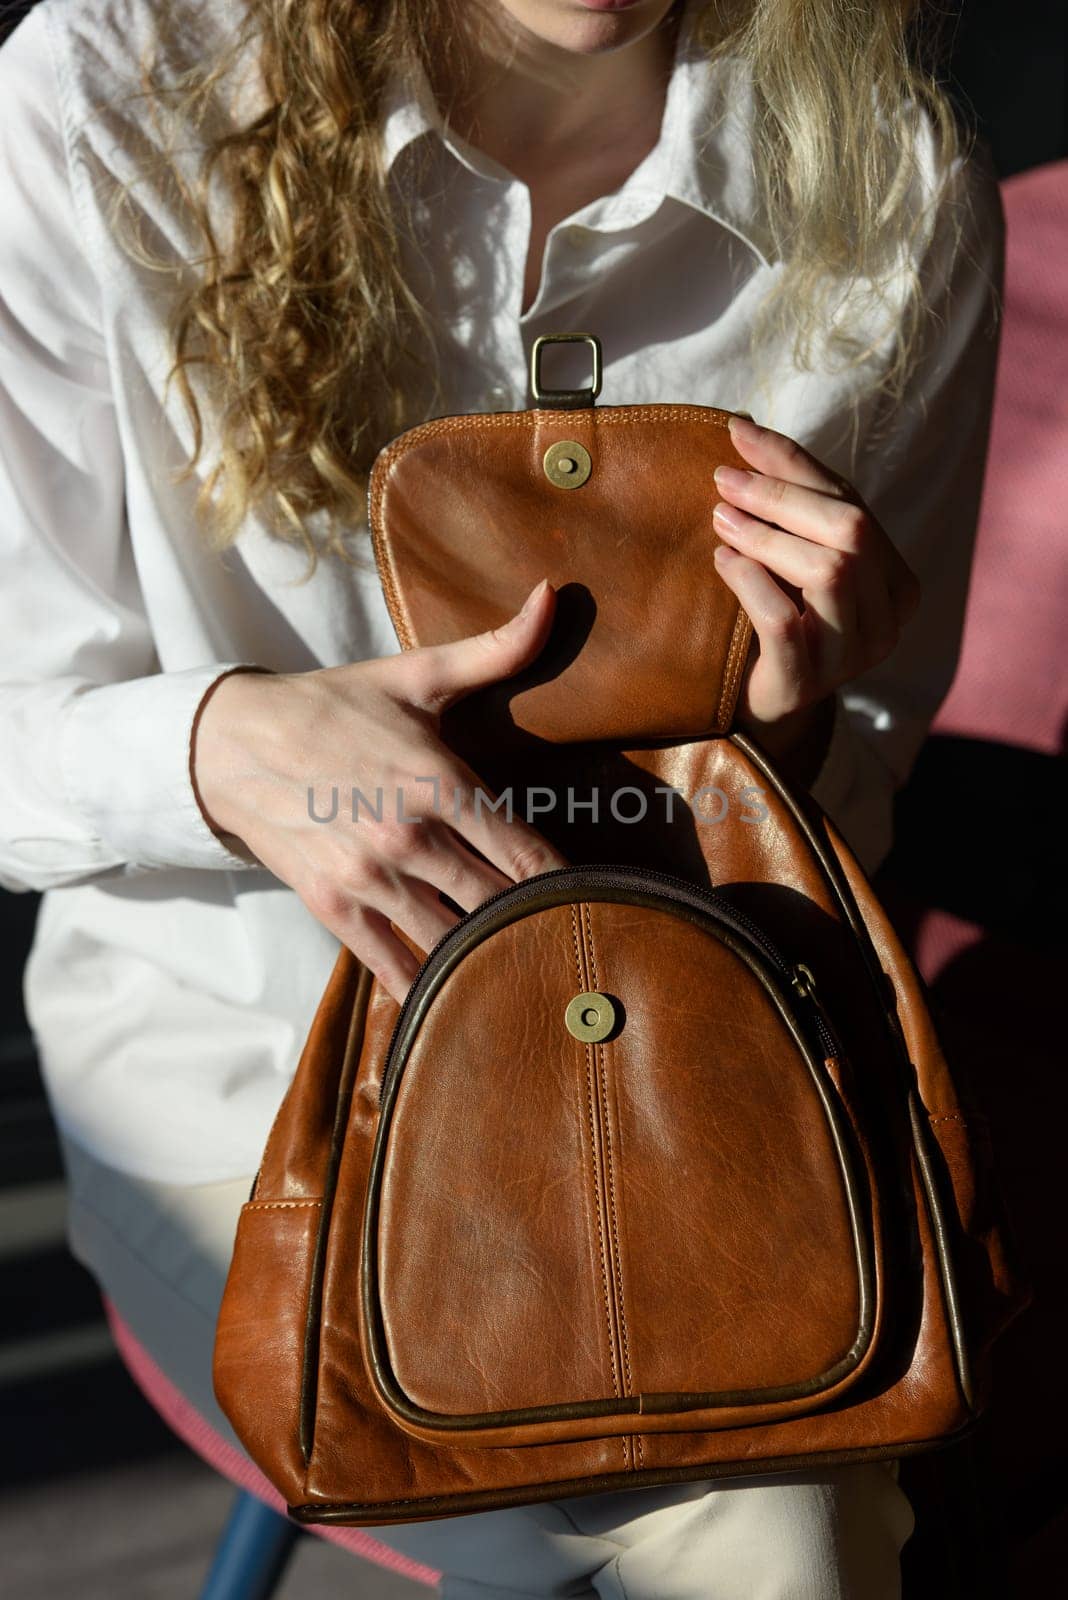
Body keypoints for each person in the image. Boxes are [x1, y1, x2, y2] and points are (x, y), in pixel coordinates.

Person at [0, 0, 1003, 1594]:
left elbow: (866, 765)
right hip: (257, 1083)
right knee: (762, 1533)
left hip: (698, 1092)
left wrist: (789, 732)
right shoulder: (116, 94)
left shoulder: (886, 184)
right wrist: (226, 750)